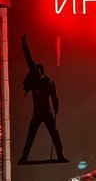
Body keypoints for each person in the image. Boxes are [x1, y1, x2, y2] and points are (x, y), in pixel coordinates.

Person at [18, 34, 68, 164]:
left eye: (36, 71)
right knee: (31, 135)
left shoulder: (49, 82)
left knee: (54, 134)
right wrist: (24, 44)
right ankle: (24, 157)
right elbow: (28, 59)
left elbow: (54, 97)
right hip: (37, 112)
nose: (34, 72)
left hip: (46, 112)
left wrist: (56, 109)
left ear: (41, 71)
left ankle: (60, 155)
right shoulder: (35, 79)